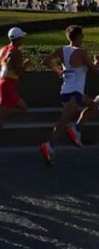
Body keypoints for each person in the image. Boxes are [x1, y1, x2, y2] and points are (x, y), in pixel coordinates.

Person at [39, 25, 98, 164]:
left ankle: (75, 129)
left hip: (66, 91)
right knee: (62, 122)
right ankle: (49, 145)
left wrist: (58, 71)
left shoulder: (62, 50)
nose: (83, 38)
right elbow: (94, 70)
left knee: (94, 105)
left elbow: (46, 61)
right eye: (82, 36)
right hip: (75, 93)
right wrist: (97, 61)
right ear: (77, 37)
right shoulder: (81, 52)